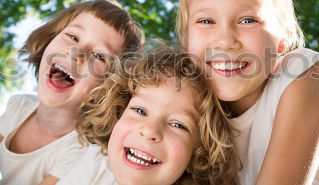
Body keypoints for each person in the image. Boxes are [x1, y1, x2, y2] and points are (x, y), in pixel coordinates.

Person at [175, 0, 319, 185]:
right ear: (186, 40)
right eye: (206, 21)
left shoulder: (305, 74)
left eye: (248, 20)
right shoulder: (188, 110)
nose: (225, 40)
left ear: (283, 39)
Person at [0, 0, 143, 185]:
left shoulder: (79, 149)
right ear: (49, 40)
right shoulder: (19, 106)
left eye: (99, 55)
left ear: (107, 87)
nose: (77, 52)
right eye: (73, 37)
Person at [57, 43, 240, 185]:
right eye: (139, 111)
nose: (150, 130)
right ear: (118, 115)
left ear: (199, 155)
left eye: (178, 125)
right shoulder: (96, 161)